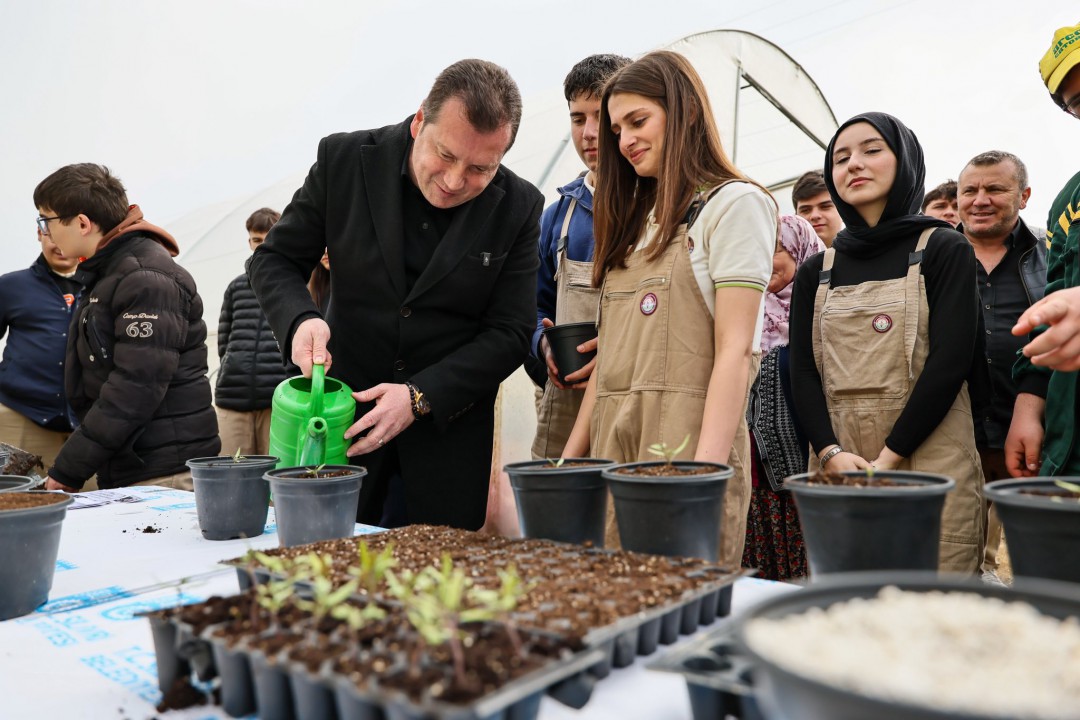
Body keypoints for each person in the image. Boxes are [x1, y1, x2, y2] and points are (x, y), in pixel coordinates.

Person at [248, 59, 543, 530]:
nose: (453, 181)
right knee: (324, 572)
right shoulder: (343, 160)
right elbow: (274, 260)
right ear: (419, 119)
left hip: (445, 445)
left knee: (435, 590)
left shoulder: (520, 206)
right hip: (340, 427)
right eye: (445, 156)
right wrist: (301, 320)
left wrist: (419, 396)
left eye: (480, 169)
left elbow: (510, 331)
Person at [562, 51, 777, 570]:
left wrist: (700, 477)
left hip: (683, 454)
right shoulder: (637, 222)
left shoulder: (733, 205)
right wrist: (568, 462)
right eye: (617, 130)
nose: (624, 140)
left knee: (677, 613)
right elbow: (609, 361)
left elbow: (735, 350)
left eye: (639, 121)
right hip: (614, 455)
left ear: (684, 114)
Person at [788, 113, 985, 574]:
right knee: (848, 606)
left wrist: (889, 458)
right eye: (841, 157)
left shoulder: (943, 248)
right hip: (841, 460)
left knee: (936, 602)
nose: (854, 164)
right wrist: (830, 453)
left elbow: (951, 360)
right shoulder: (816, 270)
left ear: (906, 162)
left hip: (930, 455)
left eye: (871, 150)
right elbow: (801, 369)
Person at [38, 163, 220, 492]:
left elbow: (135, 387)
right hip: (138, 466)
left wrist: (68, 470)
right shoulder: (111, 272)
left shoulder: (144, 276)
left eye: (45, 220)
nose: (44, 233)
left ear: (81, 223)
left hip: (165, 474)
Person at [532, 53, 631, 460]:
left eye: (600, 116)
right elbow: (531, 306)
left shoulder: (662, 208)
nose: (589, 133)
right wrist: (543, 346)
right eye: (577, 119)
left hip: (632, 402)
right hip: (566, 404)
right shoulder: (557, 217)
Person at [956, 150, 1046, 583]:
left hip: (1032, 428)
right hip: (954, 429)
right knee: (954, 554)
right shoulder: (931, 260)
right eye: (969, 190)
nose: (980, 199)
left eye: (995, 188)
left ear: (1024, 195)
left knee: (1040, 551)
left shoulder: (1052, 257)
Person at [1008, 21, 1080, 476]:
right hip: (1067, 447)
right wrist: (1029, 403)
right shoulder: (1067, 203)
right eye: (1078, 102)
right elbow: (1052, 304)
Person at [742, 215, 823, 581]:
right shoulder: (745, 310)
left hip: (808, 476)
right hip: (754, 478)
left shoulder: (822, 309)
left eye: (774, 248)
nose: (762, 257)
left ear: (798, 249)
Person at [0, 229, 82, 471]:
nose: (59, 246)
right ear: (39, 234)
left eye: (67, 238)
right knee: (15, 501)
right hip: (20, 415)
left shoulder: (105, 285)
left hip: (88, 425)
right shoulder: (10, 286)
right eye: (52, 237)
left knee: (95, 503)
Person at [215, 208, 294, 457]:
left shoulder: (298, 284)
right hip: (234, 397)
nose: (261, 245)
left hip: (277, 398)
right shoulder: (236, 287)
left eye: (268, 237)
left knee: (275, 475)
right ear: (249, 241)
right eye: (256, 239)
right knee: (233, 474)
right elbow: (223, 341)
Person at [792, 170, 843, 247]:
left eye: (825, 207)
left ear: (844, 211)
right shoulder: (779, 257)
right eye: (805, 210)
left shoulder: (863, 253)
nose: (814, 216)